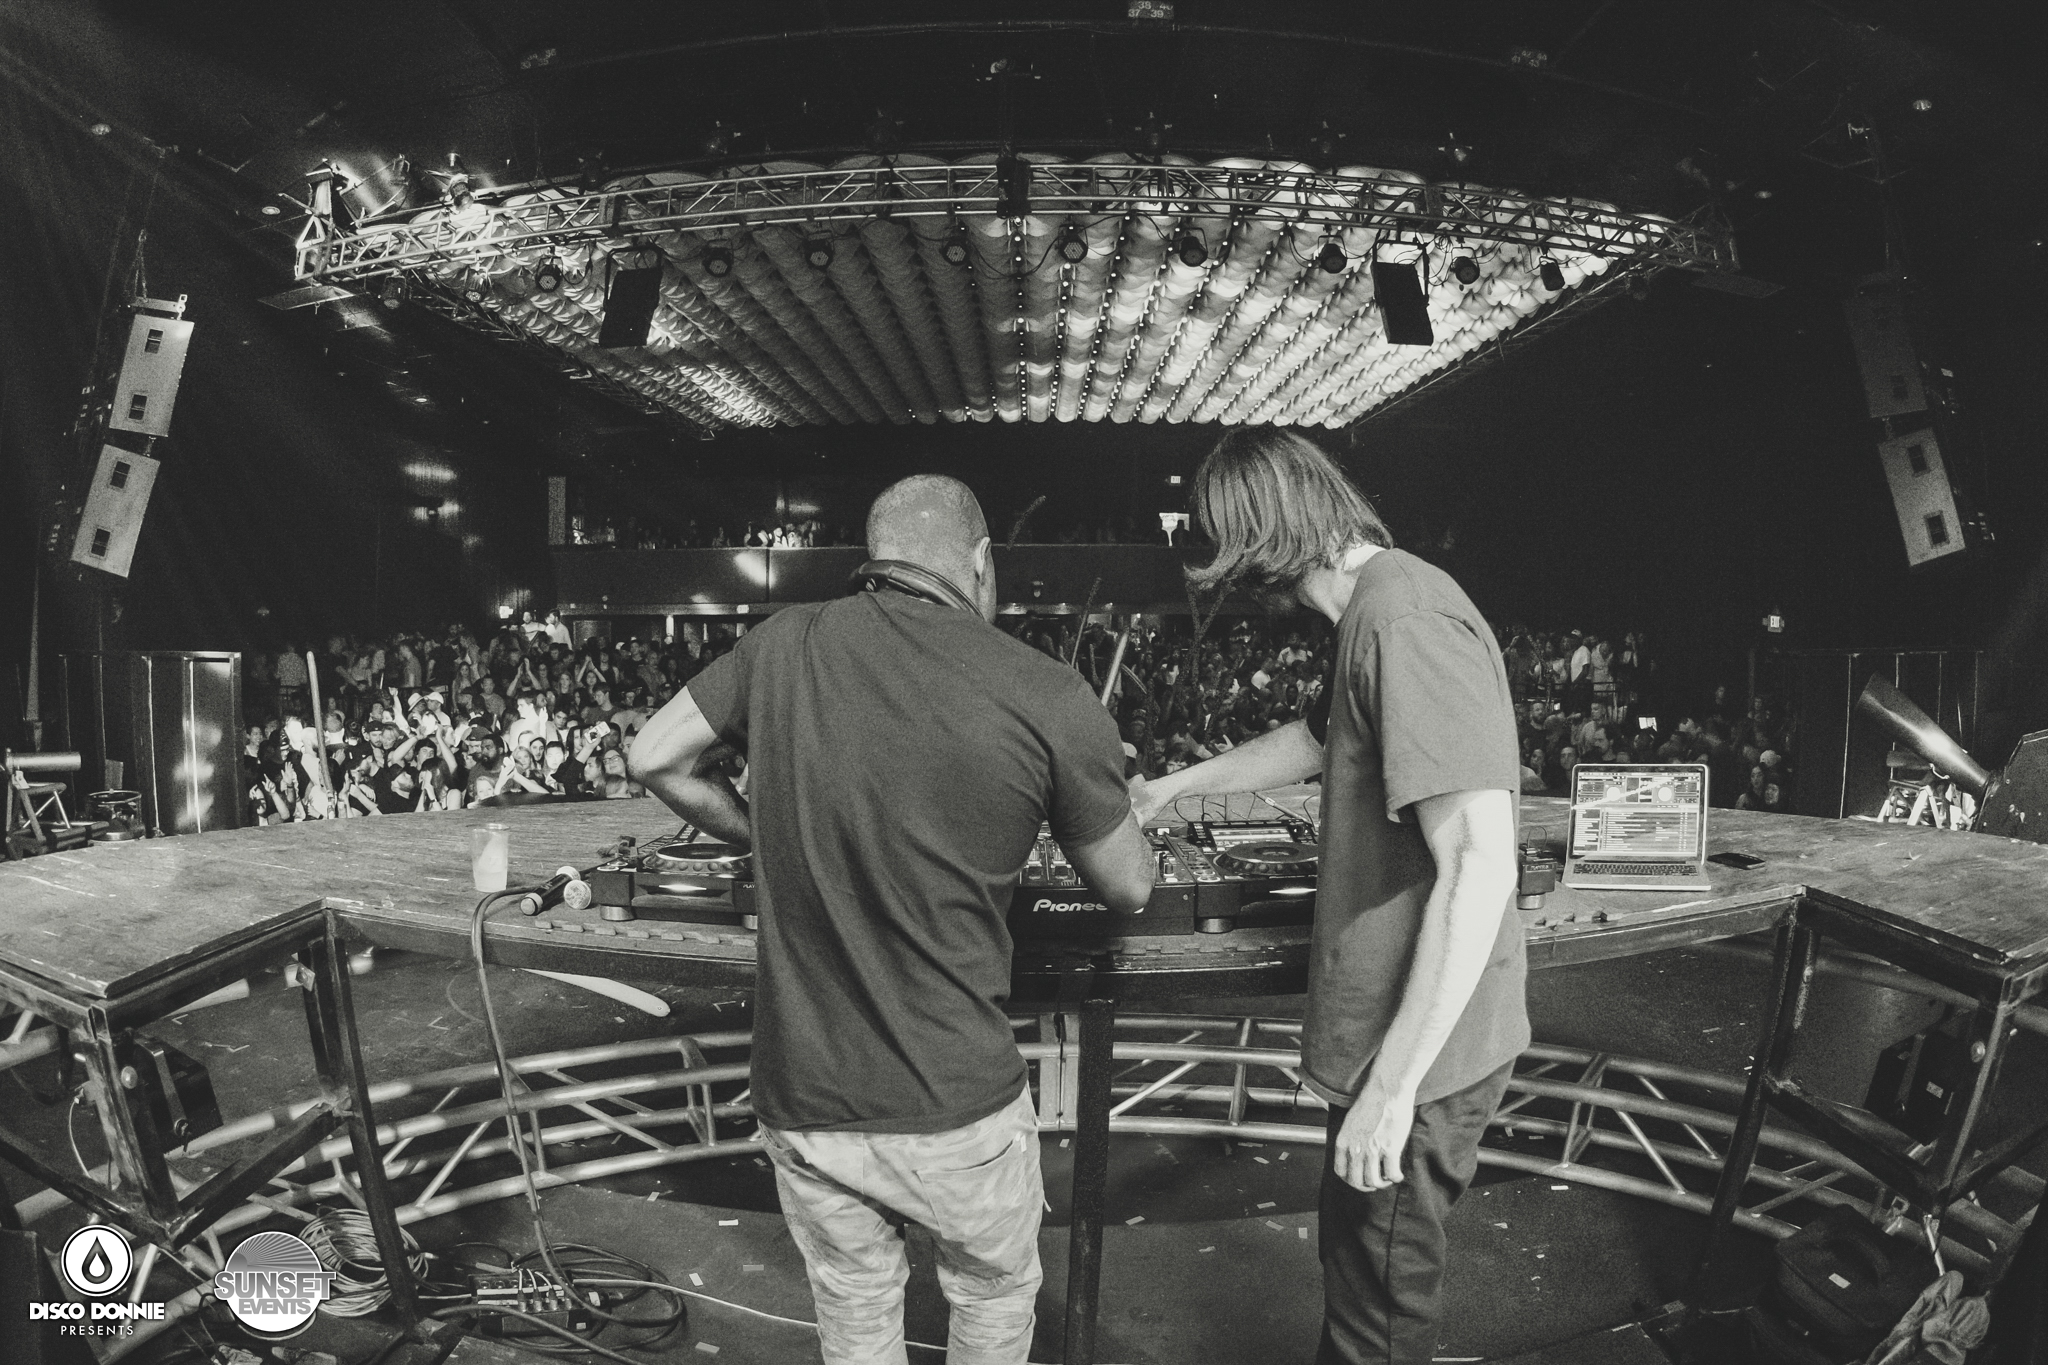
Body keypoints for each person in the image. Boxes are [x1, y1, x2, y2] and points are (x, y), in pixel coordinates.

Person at [630, 473, 1151, 1365]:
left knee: (856, 1302)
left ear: (876, 558)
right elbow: (1130, 885)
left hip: (807, 1100)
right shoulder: (1046, 690)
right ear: (980, 562)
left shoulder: (785, 641)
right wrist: (1117, 797)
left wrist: (767, 829)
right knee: (991, 1297)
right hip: (954, 1103)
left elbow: (652, 755)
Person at [1129, 429, 1523, 1365]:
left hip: (1419, 1055)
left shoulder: (1405, 620)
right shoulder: (1370, 618)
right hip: (1396, 1041)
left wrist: (1390, 1090)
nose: (1228, 580)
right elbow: (1312, 740)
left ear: (1259, 537)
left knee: (1377, 1317)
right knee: (1360, 1274)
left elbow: (1481, 862)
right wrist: (1168, 789)